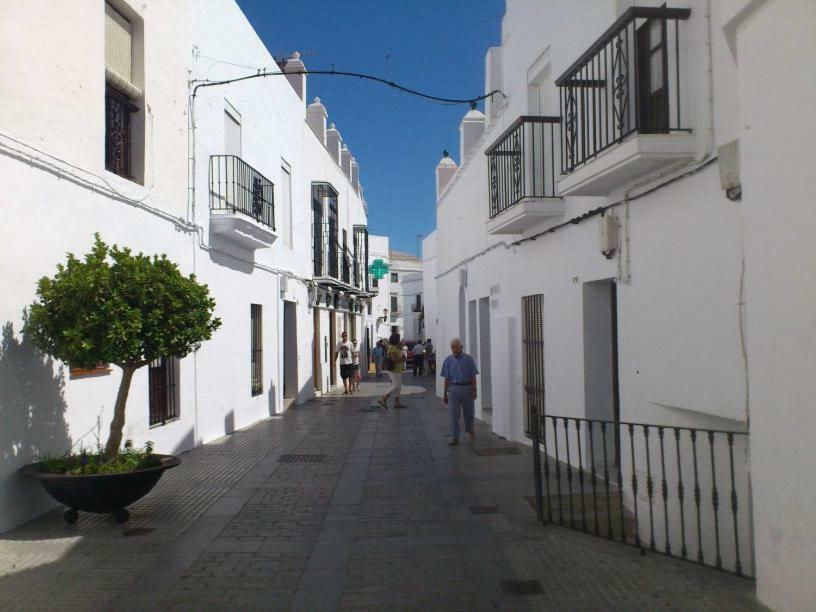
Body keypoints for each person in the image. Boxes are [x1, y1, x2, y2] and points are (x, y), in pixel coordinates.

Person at [440, 338, 479, 445]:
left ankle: (470, 428)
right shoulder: (448, 360)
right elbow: (447, 378)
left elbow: (473, 376)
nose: (454, 350)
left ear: (461, 347)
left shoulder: (469, 359)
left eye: (456, 347)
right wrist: (445, 393)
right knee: (453, 414)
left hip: (467, 388)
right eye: (452, 348)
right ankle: (455, 437)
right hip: (453, 390)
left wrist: (474, 390)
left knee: (469, 413)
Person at [378, 333, 405, 409]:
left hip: (398, 370)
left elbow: (400, 352)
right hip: (394, 370)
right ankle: (384, 398)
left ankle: (397, 402)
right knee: (396, 385)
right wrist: (402, 359)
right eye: (399, 338)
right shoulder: (392, 348)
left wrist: (401, 349)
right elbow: (394, 359)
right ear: (396, 339)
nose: (400, 340)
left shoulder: (395, 347)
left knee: (398, 386)